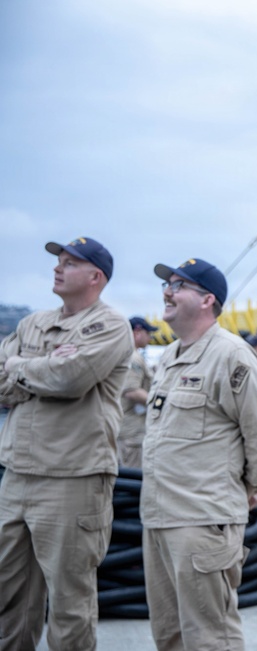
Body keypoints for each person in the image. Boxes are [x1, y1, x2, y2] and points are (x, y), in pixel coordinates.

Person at [140, 258, 257, 650]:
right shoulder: (169, 358)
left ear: (208, 300)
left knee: (209, 638)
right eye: (166, 285)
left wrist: (247, 488)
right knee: (169, 634)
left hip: (203, 520)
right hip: (159, 517)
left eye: (178, 285)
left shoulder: (231, 356)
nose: (167, 292)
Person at [0, 237, 133, 650]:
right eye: (58, 261)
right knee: (7, 593)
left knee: (69, 600)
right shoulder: (32, 324)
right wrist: (41, 369)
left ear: (95, 277)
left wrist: (21, 367)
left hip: (73, 479)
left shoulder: (110, 326)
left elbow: (70, 378)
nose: (58, 268)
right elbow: (5, 384)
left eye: (70, 263)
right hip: (17, 475)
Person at [119, 316, 159, 469]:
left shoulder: (126, 354)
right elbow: (132, 391)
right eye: (148, 333)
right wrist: (159, 404)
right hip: (130, 433)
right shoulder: (133, 357)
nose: (150, 338)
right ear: (137, 332)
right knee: (132, 477)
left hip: (127, 429)